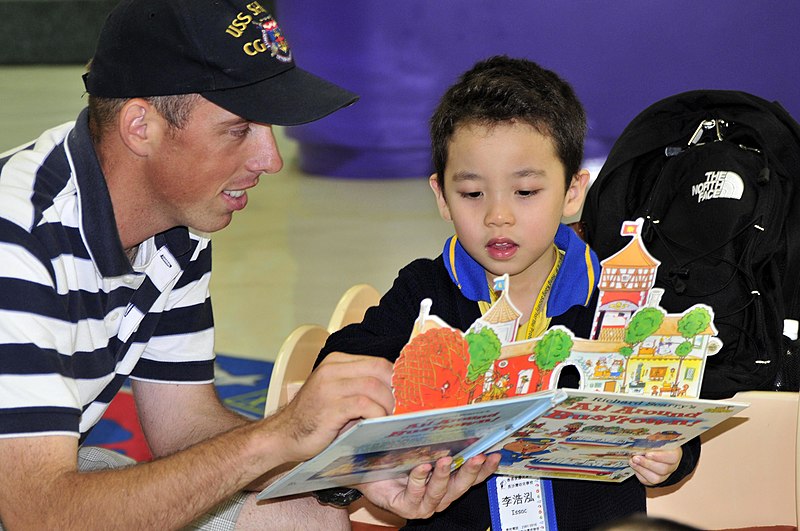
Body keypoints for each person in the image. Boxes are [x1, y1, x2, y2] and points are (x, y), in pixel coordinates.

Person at [0, 1, 499, 529]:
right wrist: (278, 434)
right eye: (240, 129)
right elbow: (42, 513)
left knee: (305, 516)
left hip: (33, 477)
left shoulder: (176, 223)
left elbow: (183, 429)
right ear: (140, 126)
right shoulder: (19, 240)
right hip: (34, 496)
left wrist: (349, 473)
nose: (271, 159)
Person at [317, 56, 701, 529]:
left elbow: (673, 412)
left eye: (526, 192)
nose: (499, 216)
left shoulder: (617, 295)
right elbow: (341, 365)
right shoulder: (425, 289)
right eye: (473, 194)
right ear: (441, 196)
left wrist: (673, 456)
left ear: (573, 192)